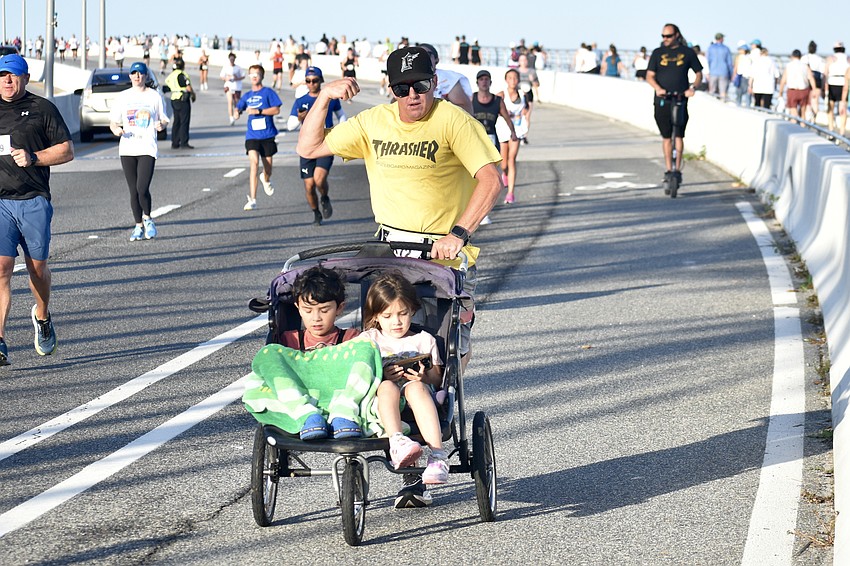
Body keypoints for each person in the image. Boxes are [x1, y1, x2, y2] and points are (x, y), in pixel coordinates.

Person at [296, 45, 502, 507]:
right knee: (381, 356)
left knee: (441, 356)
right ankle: (398, 452)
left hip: (441, 256)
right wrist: (326, 97)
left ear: (434, 83)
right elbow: (308, 148)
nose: (414, 96)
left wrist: (459, 232)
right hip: (389, 254)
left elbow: (491, 180)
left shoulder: (454, 121)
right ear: (391, 90)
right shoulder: (373, 123)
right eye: (403, 88)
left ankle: (434, 440)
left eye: (422, 86)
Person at [0, 54, 75, 365]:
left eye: (13, 75)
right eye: (2, 75)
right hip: (1, 202)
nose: (6, 80)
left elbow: (66, 151)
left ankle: (42, 315)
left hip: (33, 200)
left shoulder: (42, 108)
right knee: (1, 269)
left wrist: (33, 158)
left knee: (38, 269)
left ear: (26, 78)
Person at [362, 271, 448, 484]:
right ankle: (397, 441)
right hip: (382, 399)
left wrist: (424, 376)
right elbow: (359, 374)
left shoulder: (423, 340)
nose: (396, 322)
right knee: (387, 387)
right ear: (375, 317)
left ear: (412, 310)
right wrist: (382, 374)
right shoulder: (369, 339)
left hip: (417, 396)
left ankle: (437, 455)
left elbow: (438, 379)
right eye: (387, 316)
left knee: (415, 388)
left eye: (402, 314)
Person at [282, 266, 362, 440]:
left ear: (339, 308)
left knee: (366, 350)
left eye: (324, 310)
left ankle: (343, 415)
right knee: (270, 355)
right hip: (303, 399)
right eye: (308, 310)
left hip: (340, 398)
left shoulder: (350, 339)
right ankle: (309, 415)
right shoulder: (290, 340)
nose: (316, 318)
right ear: (298, 307)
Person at [109, 62, 170, 242]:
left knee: (142, 188)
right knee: (133, 190)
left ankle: (148, 219)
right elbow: (113, 122)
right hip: (128, 147)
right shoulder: (123, 97)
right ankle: (138, 225)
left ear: (146, 76)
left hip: (147, 147)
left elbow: (164, 118)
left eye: (140, 73)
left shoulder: (154, 96)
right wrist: (116, 130)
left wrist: (162, 125)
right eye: (134, 73)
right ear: (130, 76)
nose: (137, 76)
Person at [646, 23, 702, 190]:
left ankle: (677, 169)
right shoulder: (658, 53)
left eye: (668, 36)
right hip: (662, 99)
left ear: (676, 35)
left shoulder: (687, 53)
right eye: (663, 36)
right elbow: (649, 75)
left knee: (678, 134)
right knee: (666, 136)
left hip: (680, 98)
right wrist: (658, 88)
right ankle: (668, 168)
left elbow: (699, 73)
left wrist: (692, 88)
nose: (665, 39)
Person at [286, 66, 346, 225]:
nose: (311, 83)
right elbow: (290, 125)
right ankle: (316, 213)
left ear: (321, 80)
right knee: (309, 185)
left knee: (319, 180)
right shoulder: (301, 101)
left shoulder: (329, 99)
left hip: (325, 144)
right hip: (307, 147)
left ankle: (325, 197)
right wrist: (299, 118)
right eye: (308, 81)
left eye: (315, 80)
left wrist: (341, 130)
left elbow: (342, 116)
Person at [233, 64, 282, 211]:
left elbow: (277, 109)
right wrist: (236, 112)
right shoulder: (247, 96)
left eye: (257, 74)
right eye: (251, 74)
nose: (254, 76)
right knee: (254, 163)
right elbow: (239, 107)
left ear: (262, 76)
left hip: (267, 135)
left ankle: (266, 179)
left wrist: (259, 110)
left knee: (268, 168)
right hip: (252, 136)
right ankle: (252, 199)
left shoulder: (268, 92)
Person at [495, 69, 529, 203]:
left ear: (519, 80)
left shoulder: (522, 95)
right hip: (503, 129)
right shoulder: (501, 95)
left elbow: (526, 110)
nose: (513, 81)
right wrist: (503, 112)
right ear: (506, 80)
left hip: (517, 130)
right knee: (503, 163)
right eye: (510, 78)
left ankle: (511, 193)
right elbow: (494, 109)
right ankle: (505, 173)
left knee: (512, 159)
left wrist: (525, 121)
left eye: (515, 78)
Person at [418, 43, 473, 114]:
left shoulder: (448, 78)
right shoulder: (407, 78)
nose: (423, 58)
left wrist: (443, 107)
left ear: (436, 59)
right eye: (419, 55)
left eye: (428, 54)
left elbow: (467, 109)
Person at [164, 59, 196, 150]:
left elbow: (167, 85)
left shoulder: (171, 75)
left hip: (174, 99)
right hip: (183, 98)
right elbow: (188, 87)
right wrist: (193, 94)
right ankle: (184, 142)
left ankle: (175, 142)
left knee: (176, 121)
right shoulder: (182, 74)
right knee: (184, 121)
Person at [779, 49, 816, 122]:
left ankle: (794, 126)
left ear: (792, 56)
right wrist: (814, 90)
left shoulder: (789, 65)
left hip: (792, 90)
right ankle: (803, 126)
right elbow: (811, 78)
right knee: (803, 111)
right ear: (800, 56)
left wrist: (780, 92)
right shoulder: (805, 66)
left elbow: (783, 80)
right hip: (804, 90)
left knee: (793, 111)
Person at [824, 42, 849, 134]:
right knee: (843, 108)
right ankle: (842, 131)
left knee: (830, 108)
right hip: (844, 83)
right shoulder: (847, 58)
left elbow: (825, 73)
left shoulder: (831, 58)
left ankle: (831, 129)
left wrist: (824, 87)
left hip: (832, 83)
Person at [801, 41, 825, 122]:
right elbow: (823, 72)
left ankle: (807, 118)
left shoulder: (804, 58)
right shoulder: (819, 59)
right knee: (815, 100)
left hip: (807, 80)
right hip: (817, 79)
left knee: (808, 101)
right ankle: (814, 119)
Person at [220, 52, 245, 125]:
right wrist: (226, 78)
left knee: (236, 102)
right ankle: (231, 118)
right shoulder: (225, 67)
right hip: (228, 86)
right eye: (230, 59)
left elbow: (243, 76)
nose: (232, 60)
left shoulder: (238, 68)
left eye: (233, 59)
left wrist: (237, 78)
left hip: (237, 87)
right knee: (230, 101)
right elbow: (221, 76)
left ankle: (236, 113)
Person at [707, 32, 733, 101]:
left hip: (713, 72)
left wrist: (709, 71)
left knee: (712, 91)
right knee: (723, 92)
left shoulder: (710, 48)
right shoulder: (726, 48)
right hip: (724, 72)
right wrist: (731, 74)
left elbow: (708, 61)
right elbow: (729, 63)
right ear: (721, 39)